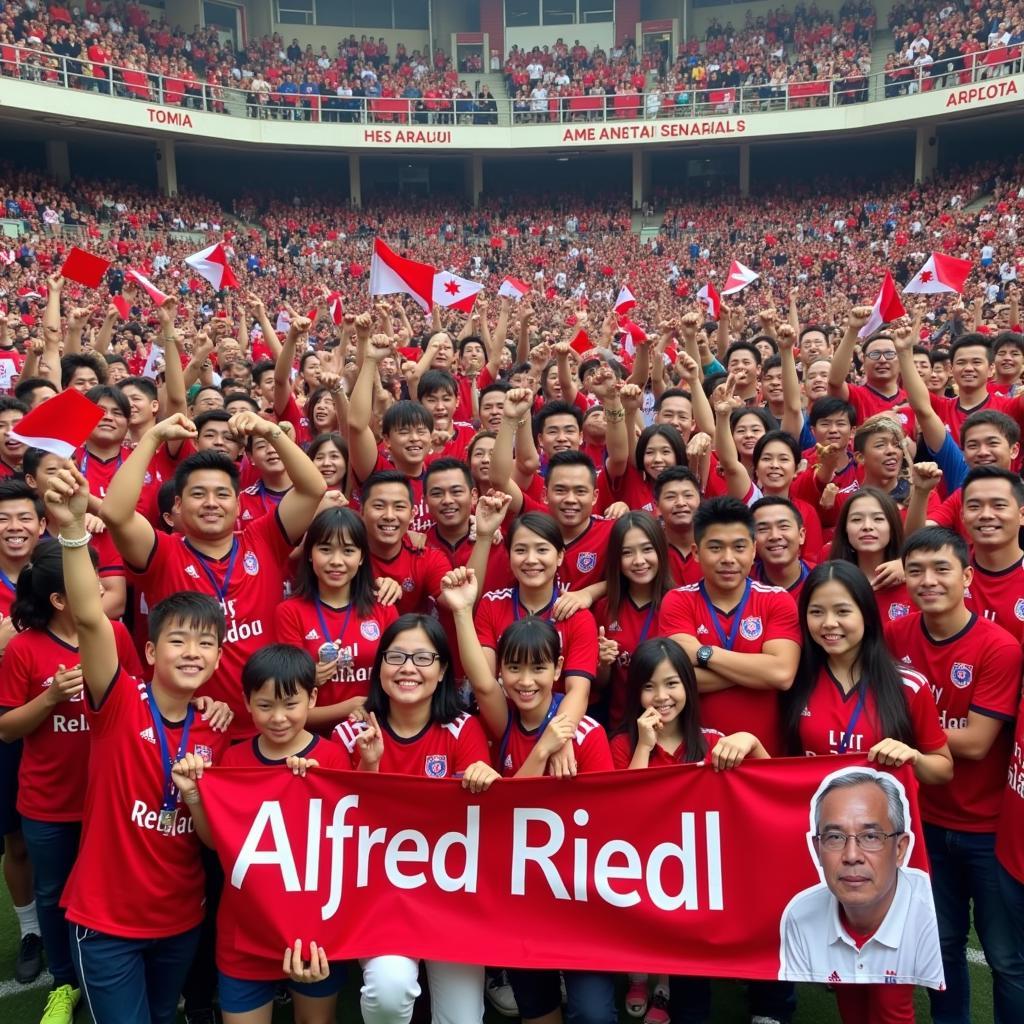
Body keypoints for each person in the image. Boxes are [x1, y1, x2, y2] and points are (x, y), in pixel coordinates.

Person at [44, 462, 232, 1024]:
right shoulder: (118, 699)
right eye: (177, 641)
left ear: (219, 658)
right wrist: (76, 532)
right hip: (106, 922)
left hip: (179, 918)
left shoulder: (216, 727)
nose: (192, 653)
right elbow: (90, 619)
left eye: (205, 644)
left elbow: (207, 835)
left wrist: (196, 796)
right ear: (151, 652)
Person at [440, 566, 618, 1024]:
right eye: (513, 667)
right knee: (537, 1009)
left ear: (558, 669)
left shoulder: (588, 736)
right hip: (519, 898)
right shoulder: (501, 724)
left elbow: (610, 824)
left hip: (580, 897)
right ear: (501, 670)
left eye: (539, 667)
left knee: (594, 1013)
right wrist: (462, 612)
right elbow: (482, 686)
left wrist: (557, 742)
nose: (525, 680)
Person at [99, 412, 326, 734]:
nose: (211, 503)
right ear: (177, 505)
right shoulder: (162, 553)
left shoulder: (263, 538)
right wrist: (152, 438)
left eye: (222, 494)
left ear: (237, 502)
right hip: (195, 727)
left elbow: (312, 488)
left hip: (269, 725)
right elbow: (115, 513)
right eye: (197, 494)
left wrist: (271, 431)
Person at [885, 527, 1024, 1024]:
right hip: (922, 822)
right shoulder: (897, 635)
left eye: (942, 569)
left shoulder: (999, 646)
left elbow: (979, 741)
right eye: (916, 570)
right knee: (941, 948)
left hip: (987, 828)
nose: (928, 581)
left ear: (966, 577)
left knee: (1007, 960)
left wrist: (908, 735)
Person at [0, 539, 142, 1024]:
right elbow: (5, 727)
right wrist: (49, 699)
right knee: (54, 894)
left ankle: (119, 972)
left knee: (113, 890)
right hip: (48, 804)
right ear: (60, 599)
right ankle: (64, 984)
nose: (101, 586)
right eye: (88, 579)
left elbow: (140, 697)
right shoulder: (23, 648)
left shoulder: (115, 635)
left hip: (110, 798)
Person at [170, 644, 349, 1024]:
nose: (279, 718)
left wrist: (318, 785)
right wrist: (193, 797)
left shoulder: (332, 759)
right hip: (245, 932)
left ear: (312, 698)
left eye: (290, 704)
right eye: (265, 705)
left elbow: (350, 847)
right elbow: (215, 843)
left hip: (313, 931)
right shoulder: (233, 761)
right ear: (246, 703)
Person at [333, 613, 495, 1024]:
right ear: (380, 667)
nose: (408, 668)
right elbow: (340, 828)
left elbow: (479, 823)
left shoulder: (463, 730)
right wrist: (368, 767)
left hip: (450, 897)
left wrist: (486, 781)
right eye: (397, 656)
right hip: (381, 898)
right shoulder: (351, 735)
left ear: (442, 671)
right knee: (389, 990)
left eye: (423, 658)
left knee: (463, 1020)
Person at [610, 636, 768, 1024]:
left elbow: (768, 792)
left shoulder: (713, 743)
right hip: (637, 879)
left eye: (671, 683)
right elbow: (618, 814)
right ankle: (643, 979)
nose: (661, 696)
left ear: (688, 686)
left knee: (694, 1000)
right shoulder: (620, 745)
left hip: (696, 893)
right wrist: (644, 748)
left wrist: (753, 742)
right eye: (649, 686)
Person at [779, 770, 944, 999]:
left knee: (890, 1004)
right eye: (835, 837)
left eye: (871, 837)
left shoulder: (926, 916)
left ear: (900, 848)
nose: (852, 855)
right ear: (817, 849)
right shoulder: (800, 915)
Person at [658, 497, 801, 754]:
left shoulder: (777, 600)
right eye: (715, 548)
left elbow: (781, 674)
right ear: (695, 552)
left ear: (754, 550)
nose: (728, 558)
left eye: (739, 547)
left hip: (766, 755)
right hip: (696, 756)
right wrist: (757, 670)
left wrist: (704, 654)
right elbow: (677, 680)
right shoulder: (678, 600)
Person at [471, 506, 599, 770]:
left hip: (556, 722)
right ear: (509, 557)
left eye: (542, 550)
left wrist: (560, 737)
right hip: (503, 726)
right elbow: (485, 681)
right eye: (520, 550)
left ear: (560, 556)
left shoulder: (578, 615)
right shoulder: (491, 605)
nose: (531, 559)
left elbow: (579, 689)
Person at [273, 507, 397, 731]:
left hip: (374, 732)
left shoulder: (384, 608)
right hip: (311, 741)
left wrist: (365, 708)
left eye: (348, 551)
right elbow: (285, 707)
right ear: (310, 554)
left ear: (361, 558)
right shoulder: (289, 612)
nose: (336, 561)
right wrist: (347, 706)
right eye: (325, 549)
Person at [593, 511, 675, 727]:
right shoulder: (605, 607)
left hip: (670, 727)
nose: (638, 561)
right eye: (627, 553)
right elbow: (602, 685)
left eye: (647, 549)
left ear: (660, 550)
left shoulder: (678, 604)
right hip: (622, 728)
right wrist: (603, 664)